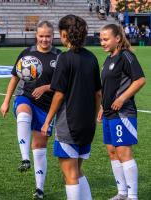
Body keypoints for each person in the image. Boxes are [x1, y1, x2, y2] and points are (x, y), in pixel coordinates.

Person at [41, 14, 102, 200]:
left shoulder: (64, 59)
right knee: (77, 170)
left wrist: (47, 121)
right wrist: (92, 117)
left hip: (68, 123)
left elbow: (58, 94)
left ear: (65, 34)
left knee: (70, 174)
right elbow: (98, 94)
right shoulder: (91, 58)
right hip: (87, 124)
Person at [0, 21, 61, 199]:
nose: (44, 39)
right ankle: (25, 158)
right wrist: (5, 101)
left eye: (48, 36)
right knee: (23, 113)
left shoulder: (59, 56)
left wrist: (46, 87)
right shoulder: (27, 53)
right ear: (36, 36)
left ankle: (39, 188)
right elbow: (14, 78)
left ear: (53, 36)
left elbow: (63, 85)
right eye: (41, 36)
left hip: (47, 106)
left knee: (40, 147)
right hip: (25, 96)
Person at [98, 24, 146, 200]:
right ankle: (122, 193)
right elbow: (107, 88)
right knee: (112, 152)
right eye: (101, 39)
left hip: (123, 113)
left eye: (105, 39)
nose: (102, 42)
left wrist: (122, 98)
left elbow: (140, 80)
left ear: (117, 38)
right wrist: (102, 107)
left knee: (124, 153)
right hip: (109, 114)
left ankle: (132, 196)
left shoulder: (126, 56)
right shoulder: (109, 59)